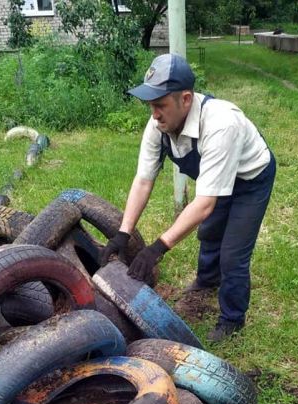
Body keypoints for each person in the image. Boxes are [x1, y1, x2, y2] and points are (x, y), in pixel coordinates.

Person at [100, 53, 276, 342]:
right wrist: (123, 233)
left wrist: (156, 248)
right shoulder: (158, 126)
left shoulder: (221, 124)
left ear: (186, 99)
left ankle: (232, 319)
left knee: (232, 254)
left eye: (160, 105)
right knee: (209, 232)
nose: (154, 113)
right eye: (150, 105)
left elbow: (205, 203)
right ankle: (207, 281)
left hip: (250, 180)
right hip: (218, 177)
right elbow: (144, 180)